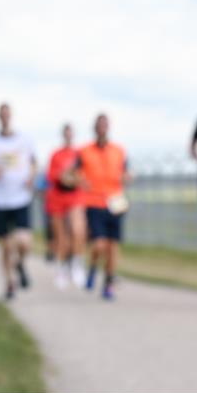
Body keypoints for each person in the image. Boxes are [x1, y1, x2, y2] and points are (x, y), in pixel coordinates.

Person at [0, 103, 37, 300]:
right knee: (5, 245)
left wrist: (31, 177)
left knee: (24, 242)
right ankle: (10, 283)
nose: (5, 118)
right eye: (2, 115)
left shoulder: (24, 140)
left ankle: (19, 262)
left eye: (7, 114)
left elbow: (34, 163)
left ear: (11, 116)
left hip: (20, 197)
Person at [80, 113, 130, 300]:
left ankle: (108, 284)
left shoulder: (118, 150)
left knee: (113, 247)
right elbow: (74, 173)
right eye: (99, 125)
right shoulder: (84, 151)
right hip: (94, 202)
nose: (102, 128)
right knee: (99, 245)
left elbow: (126, 171)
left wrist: (127, 176)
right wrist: (80, 180)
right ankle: (93, 267)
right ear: (95, 128)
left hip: (115, 202)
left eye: (105, 125)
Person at [45, 123, 88, 289]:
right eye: (66, 133)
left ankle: (77, 264)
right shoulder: (56, 154)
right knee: (62, 238)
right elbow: (53, 176)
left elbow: (82, 176)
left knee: (78, 230)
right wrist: (64, 177)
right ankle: (63, 269)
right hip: (58, 198)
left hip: (75, 197)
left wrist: (74, 179)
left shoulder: (79, 154)